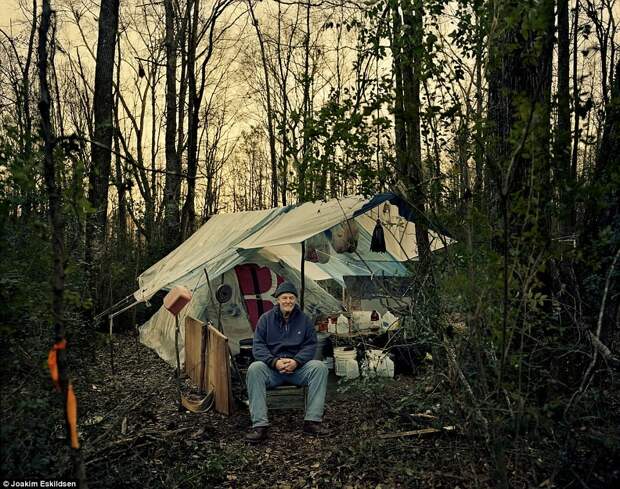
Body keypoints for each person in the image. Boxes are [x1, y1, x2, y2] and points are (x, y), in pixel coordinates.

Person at [245, 281, 329, 442]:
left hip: (297, 369)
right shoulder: (265, 319)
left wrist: (296, 361)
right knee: (254, 368)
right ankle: (260, 426)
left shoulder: (304, 320)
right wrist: (274, 362)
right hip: (273, 370)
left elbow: (310, 345)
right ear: (277, 300)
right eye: (284, 298)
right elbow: (258, 346)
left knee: (319, 367)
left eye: (291, 298)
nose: (288, 301)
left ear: (295, 300)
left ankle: (312, 422)